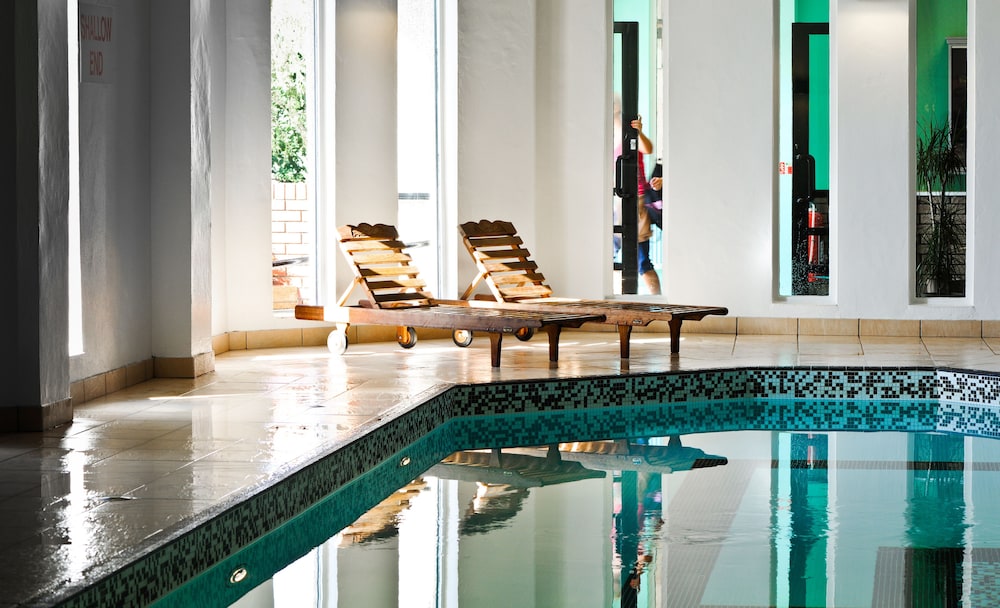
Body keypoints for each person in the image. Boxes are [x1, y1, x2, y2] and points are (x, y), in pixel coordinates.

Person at [613, 101, 661, 295]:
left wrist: (638, 132)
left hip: (636, 199)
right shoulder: (612, 137)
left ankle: (657, 300)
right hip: (618, 201)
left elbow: (648, 149)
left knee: (642, 260)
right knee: (613, 256)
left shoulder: (630, 136)